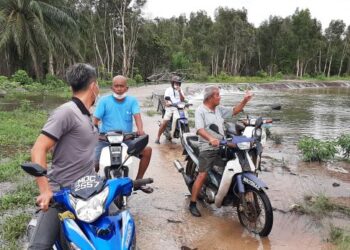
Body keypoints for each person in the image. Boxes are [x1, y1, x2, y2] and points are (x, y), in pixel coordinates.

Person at [29, 63, 100, 249]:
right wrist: (45, 190)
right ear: (94, 86)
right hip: (62, 194)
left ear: (71, 87)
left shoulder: (86, 115)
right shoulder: (66, 112)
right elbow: (38, 149)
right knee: (39, 247)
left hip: (88, 192)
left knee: (117, 230)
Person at [189, 85, 253, 217]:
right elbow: (200, 129)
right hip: (208, 146)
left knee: (240, 161)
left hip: (222, 144)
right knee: (203, 174)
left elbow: (235, 111)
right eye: (217, 95)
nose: (220, 97)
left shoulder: (218, 109)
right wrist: (211, 139)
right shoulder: (200, 111)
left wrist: (245, 100)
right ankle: (193, 203)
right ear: (210, 98)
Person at [93, 75, 153, 193]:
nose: (119, 89)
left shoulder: (132, 101)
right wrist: (94, 132)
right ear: (112, 88)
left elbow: (137, 117)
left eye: (122, 86)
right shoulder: (104, 101)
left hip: (126, 138)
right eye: (116, 86)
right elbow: (95, 120)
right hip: (105, 139)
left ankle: (138, 181)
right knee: (94, 164)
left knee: (147, 151)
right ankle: (93, 187)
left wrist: (140, 130)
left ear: (127, 88)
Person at [155, 75, 185, 144]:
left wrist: (180, 92)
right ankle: (158, 138)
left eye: (178, 83)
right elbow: (166, 99)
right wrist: (167, 103)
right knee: (165, 122)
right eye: (175, 83)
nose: (177, 84)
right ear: (172, 83)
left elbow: (182, 99)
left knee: (184, 117)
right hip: (170, 107)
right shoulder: (168, 90)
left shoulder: (180, 90)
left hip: (179, 107)